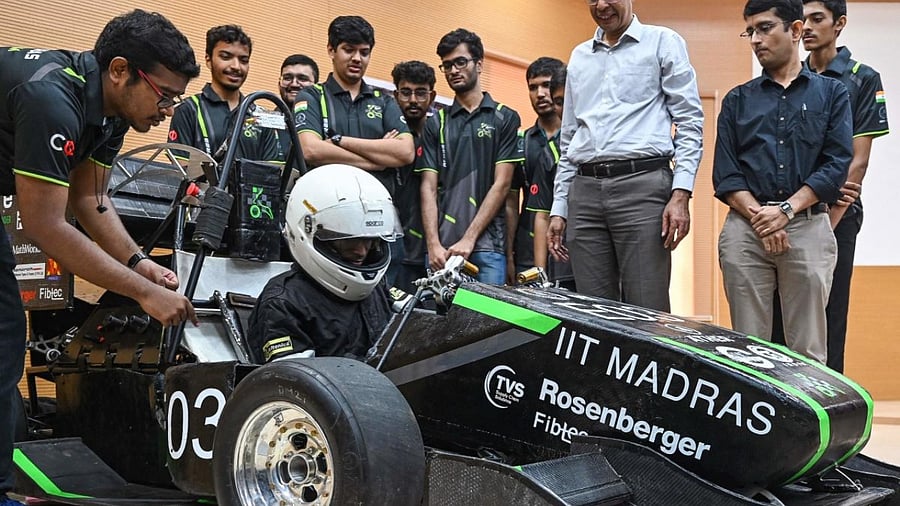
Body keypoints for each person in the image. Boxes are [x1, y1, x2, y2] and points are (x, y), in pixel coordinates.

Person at [0, 10, 200, 505]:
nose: (168, 110)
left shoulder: (110, 117)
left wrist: (139, 264)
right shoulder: (50, 100)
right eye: (165, 94)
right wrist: (144, 294)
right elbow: (48, 226)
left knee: (5, 334)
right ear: (119, 70)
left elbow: (91, 201)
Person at [713, 0, 852, 363]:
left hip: (807, 226)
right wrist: (764, 218)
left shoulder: (832, 94)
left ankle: (805, 422)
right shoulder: (737, 100)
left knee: (807, 350)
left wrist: (786, 211)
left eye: (764, 28)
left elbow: (836, 164)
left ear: (794, 30)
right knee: (746, 351)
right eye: (750, 31)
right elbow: (726, 174)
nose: (755, 40)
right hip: (746, 229)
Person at [547, 0, 703, 311]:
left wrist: (681, 193)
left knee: (647, 309)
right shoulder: (579, 56)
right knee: (594, 313)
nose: (601, 5)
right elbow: (569, 139)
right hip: (585, 191)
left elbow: (689, 121)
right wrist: (559, 207)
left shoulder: (663, 42)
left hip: (643, 187)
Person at [797, 0, 888, 372]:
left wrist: (827, 222)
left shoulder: (861, 78)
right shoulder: (791, 78)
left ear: (840, 24)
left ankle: (831, 422)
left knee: (830, 315)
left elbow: (858, 161)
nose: (806, 28)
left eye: (817, 19)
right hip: (790, 214)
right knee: (786, 319)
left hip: (836, 216)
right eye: (802, 20)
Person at [294, 16, 414, 283]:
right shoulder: (312, 96)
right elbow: (311, 150)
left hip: (379, 224)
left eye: (364, 52)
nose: (357, 58)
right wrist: (378, 159)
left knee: (384, 307)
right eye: (349, 49)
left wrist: (339, 140)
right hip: (328, 224)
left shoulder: (384, 102)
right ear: (331, 50)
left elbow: (405, 153)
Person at [247, 164, 399, 361]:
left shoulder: (378, 285)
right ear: (309, 232)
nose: (361, 251)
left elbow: (429, 322)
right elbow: (296, 385)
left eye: (369, 240)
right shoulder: (282, 303)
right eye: (349, 241)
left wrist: (452, 296)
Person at [417, 29, 524, 285]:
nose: (454, 70)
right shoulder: (436, 124)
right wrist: (433, 244)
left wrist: (469, 238)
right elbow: (428, 187)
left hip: (488, 247)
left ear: (478, 64)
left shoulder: (505, 118)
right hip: (441, 251)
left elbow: (503, 184)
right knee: (438, 324)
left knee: (486, 325)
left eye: (460, 62)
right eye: (447, 66)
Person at [167, 25, 278, 163]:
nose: (236, 66)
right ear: (208, 60)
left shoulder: (262, 116)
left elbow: (272, 173)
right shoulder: (188, 109)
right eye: (226, 57)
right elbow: (181, 169)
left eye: (244, 60)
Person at [508, 57, 574, 289]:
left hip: (572, 243)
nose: (540, 93)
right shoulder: (522, 141)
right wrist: (508, 253)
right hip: (529, 245)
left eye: (546, 85)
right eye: (533, 87)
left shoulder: (578, 139)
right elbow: (511, 201)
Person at [391, 61, 437, 293]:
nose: (413, 100)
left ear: (432, 96)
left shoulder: (440, 137)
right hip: (394, 244)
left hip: (434, 250)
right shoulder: (385, 136)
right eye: (406, 92)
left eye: (420, 93)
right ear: (395, 94)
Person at [275, 54, 319, 161]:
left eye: (302, 79)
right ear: (279, 83)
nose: (294, 84)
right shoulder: (265, 123)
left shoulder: (325, 123)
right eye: (287, 78)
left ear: (316, 87)